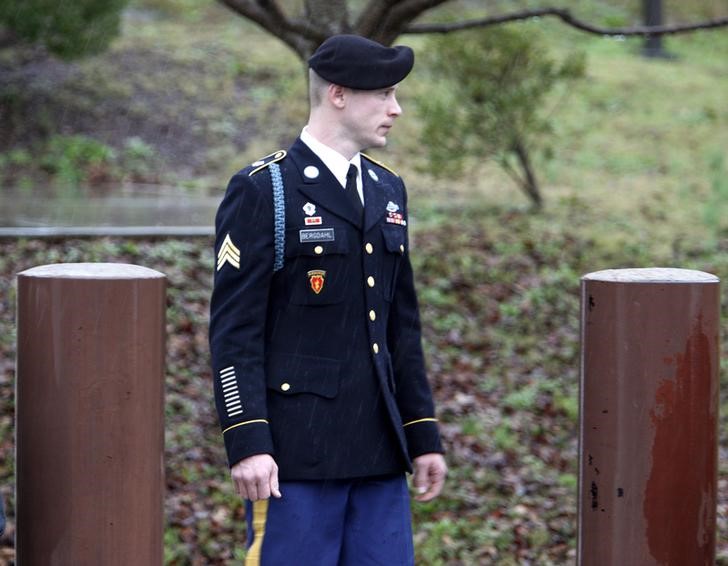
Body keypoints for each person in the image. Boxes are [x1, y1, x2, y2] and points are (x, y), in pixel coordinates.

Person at [209, 34, 447, 565]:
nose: (396, 109)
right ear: (338, 94)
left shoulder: (388, 190)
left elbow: (400, 327)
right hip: (295, 459)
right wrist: (247, 439)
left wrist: (422, 433)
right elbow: (234, 333)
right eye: (384, 94)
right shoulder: (264, 189)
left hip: (380, 455)